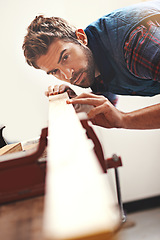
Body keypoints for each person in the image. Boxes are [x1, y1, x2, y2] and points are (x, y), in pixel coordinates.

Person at [22, 0, 160, 130]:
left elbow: (118, 118)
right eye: (55, 71)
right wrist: (80, 103)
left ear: (81, 38)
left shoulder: (136, 44)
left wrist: (125, 119)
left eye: (65, 57)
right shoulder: (90, 64)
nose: (68, 75)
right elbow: (108, 106)